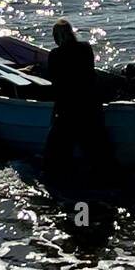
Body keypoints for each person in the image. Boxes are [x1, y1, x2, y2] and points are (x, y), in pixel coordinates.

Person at [45, 19, 108, 171]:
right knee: (96, 148)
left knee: (55, 154)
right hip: (91, 103)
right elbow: (90, 74)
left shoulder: (55, 54)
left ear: (57, 37)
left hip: (69, 107)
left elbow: (56, 85)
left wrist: (55, 111)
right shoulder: (86, 48)